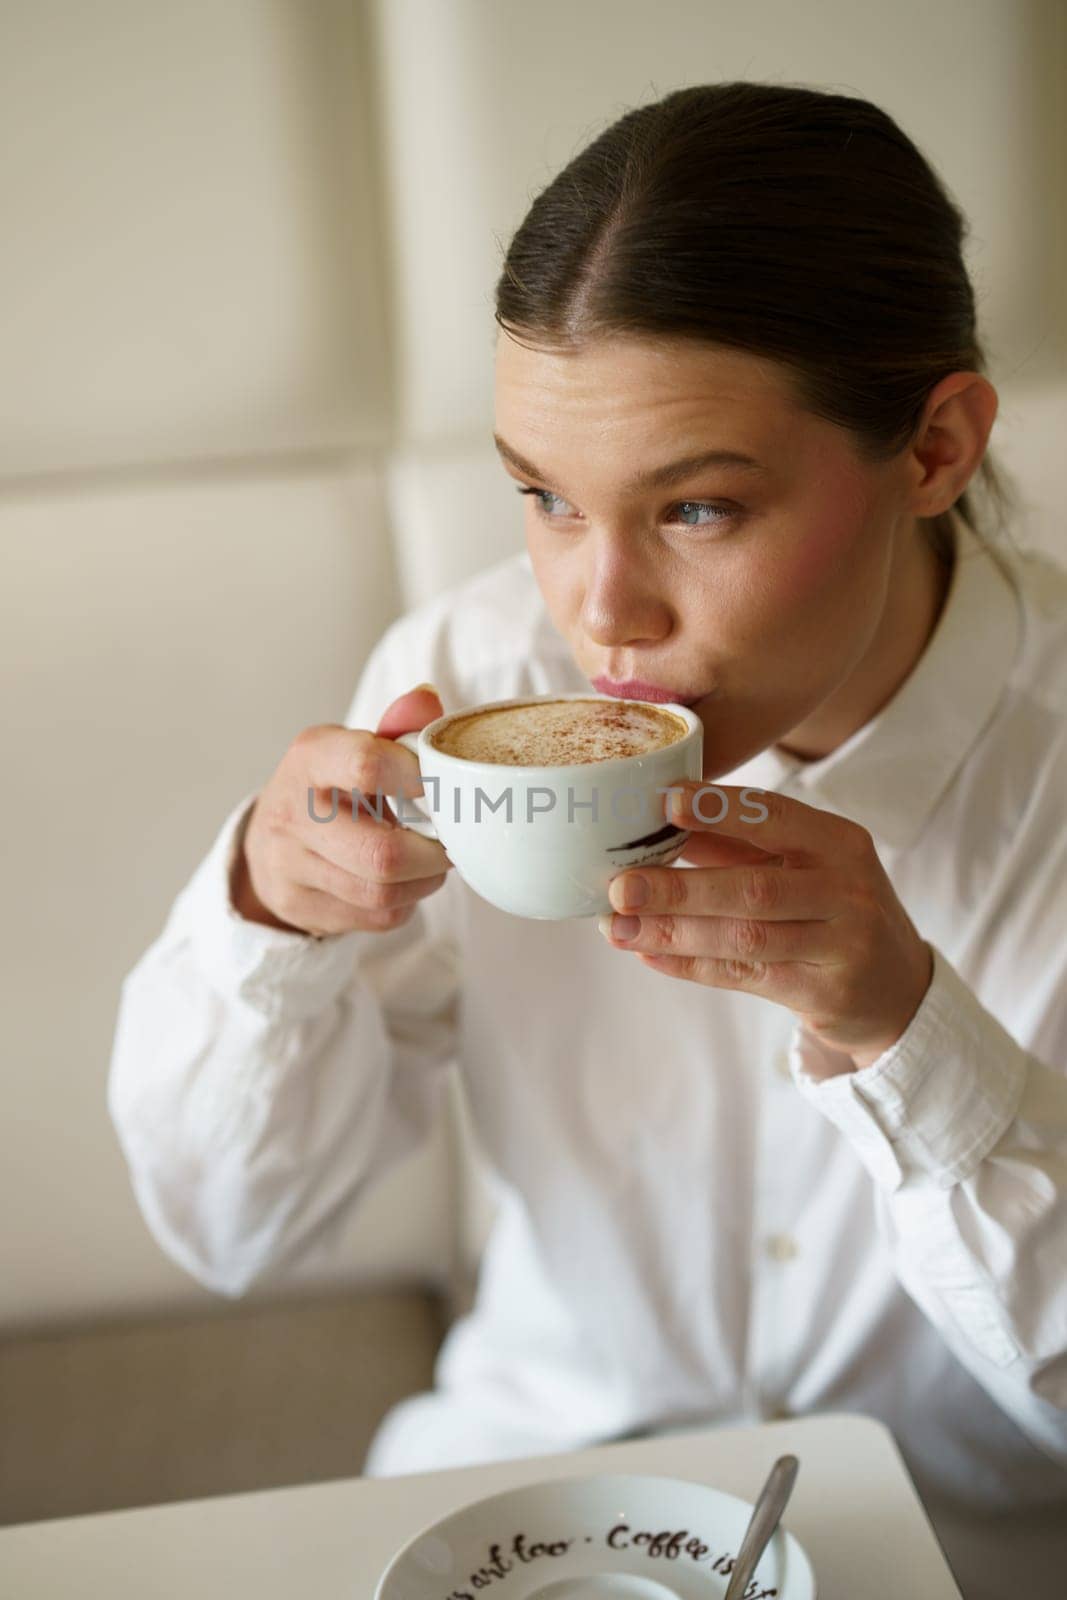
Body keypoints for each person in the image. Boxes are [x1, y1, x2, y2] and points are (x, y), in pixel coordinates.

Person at [109, 82, 1067, 1596]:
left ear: (938, 447)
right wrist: (271, 918)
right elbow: (234, 1234)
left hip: (948, 1557)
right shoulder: (474, 684)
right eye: (546, 499)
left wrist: (906, 1030)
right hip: (508, 1510)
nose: (597, 615)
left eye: (694, 509)